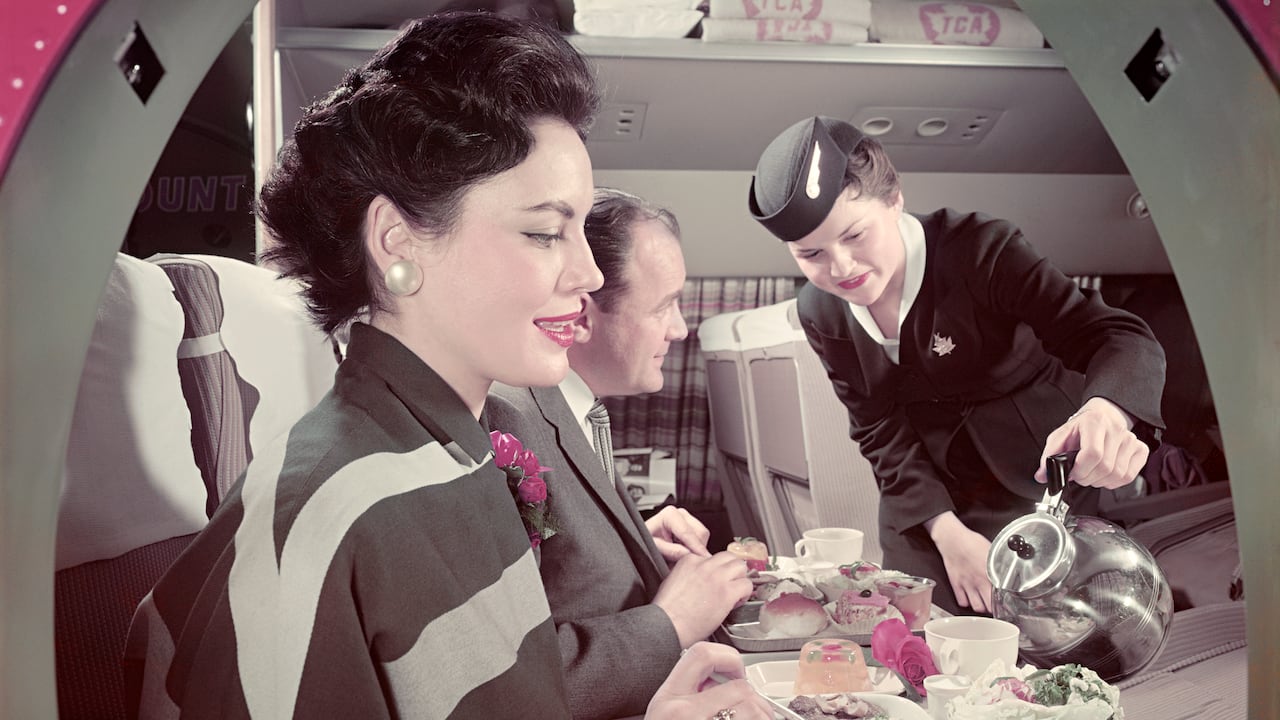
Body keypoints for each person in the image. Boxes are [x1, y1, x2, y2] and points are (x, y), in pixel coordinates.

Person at [121, 13, 769, 720]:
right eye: (546, 232)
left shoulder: (451, 454)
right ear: (397, 241)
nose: (587, 273)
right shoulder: (343, 507)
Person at [746, 116, 1166, 616]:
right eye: (810, 254)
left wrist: (1105, 413)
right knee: (917, 632)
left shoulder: (983, 251)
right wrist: (947, 534)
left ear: (894, 199)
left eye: (856, 235)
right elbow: (878, 428)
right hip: (926, 496)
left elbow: (1111, 336)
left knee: (1049, 630)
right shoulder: (820, 310)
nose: (841, 268)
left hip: (1033, 472)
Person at [486, 188, 754, 719]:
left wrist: (631, 543)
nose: (679, 328)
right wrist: (672, 621)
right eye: (663, 307)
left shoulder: (573, 410)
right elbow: (510, 679)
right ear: (582, 316)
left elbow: (561, 567)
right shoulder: (506, 424)